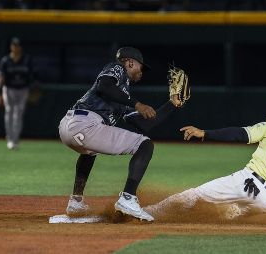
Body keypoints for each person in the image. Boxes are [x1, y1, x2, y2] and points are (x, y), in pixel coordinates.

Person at [145, 102, 266, 220]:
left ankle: (147, 212)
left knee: (193, 195)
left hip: (247, 183)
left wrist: (205, 133)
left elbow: (239, 134)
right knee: (227, 214)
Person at [58, 46, 183, 222]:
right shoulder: (117, 68)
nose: (142, 72)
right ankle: (127, 198)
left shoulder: (121, 96)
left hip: (70, 127)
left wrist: (173, 103)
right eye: (141, 67)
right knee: (145, 144)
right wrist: (138, 104)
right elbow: (104, 86)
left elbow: (144, 124)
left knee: (90, 151)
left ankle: (76, 201)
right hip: (84, 124)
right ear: (130, 62)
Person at [0, 37, 35, 150]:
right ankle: (10, 139)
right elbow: (0, 77)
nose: (16, 47)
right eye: (14, 45)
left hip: (23, 89)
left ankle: (15, 140)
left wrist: (32, 89)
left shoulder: (27, 59)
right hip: (9, 89)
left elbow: (32, 77)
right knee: (9, 112)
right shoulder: (5, 60)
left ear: (20, 47)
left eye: (17, 45)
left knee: (18, 114)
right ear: (11, 47)